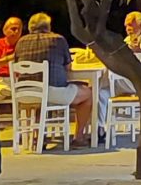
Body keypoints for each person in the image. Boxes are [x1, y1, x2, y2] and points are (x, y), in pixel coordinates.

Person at [13, 12, 96, 147]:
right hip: (52, 91)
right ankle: (79, 137)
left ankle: (38, 137)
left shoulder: (21, 42)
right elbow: (68, 67)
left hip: (25, 93)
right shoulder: (58, 40)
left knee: (40, 99)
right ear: (48, 26)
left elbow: (17, 67)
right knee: (88, 94)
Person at [0, 16, 24, 97]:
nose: (16, 32)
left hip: (20, 81)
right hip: (1, 81)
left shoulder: (23, 45)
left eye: (19, 29)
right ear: (5, 31)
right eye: (13, 29)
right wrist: (11, 58)